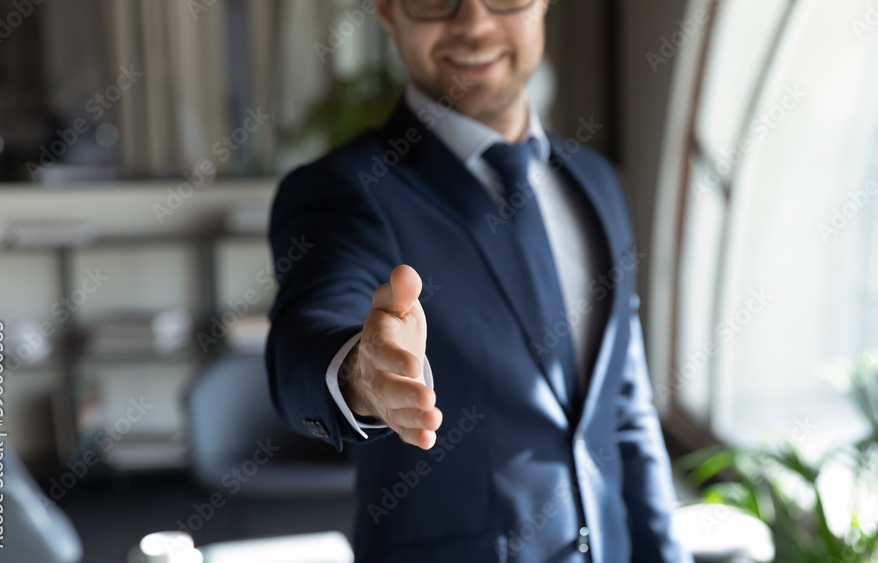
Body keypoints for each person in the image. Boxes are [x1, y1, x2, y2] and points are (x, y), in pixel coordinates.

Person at [266, 0, 691, 561]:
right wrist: (358, 373)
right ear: (388, 10)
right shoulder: (346, 190)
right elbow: (308, 327)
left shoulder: (598, 182)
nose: (474, 23)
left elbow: (625, 409)